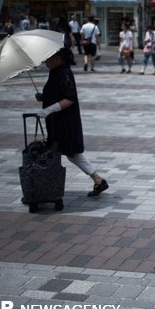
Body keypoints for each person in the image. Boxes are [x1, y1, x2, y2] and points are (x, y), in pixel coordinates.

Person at [35, 48, 109, 197]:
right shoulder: (56, 71)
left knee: (67, 152)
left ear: (58, 58)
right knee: (67, 153)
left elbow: (69, 98)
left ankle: (48, 187)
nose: (45, 61)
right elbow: (58, 93)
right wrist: (44, 97)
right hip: (57, 122)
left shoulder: (64, 73)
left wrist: (48, 109)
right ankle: (98, 180)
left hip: (65, 122)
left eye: (48, 58)